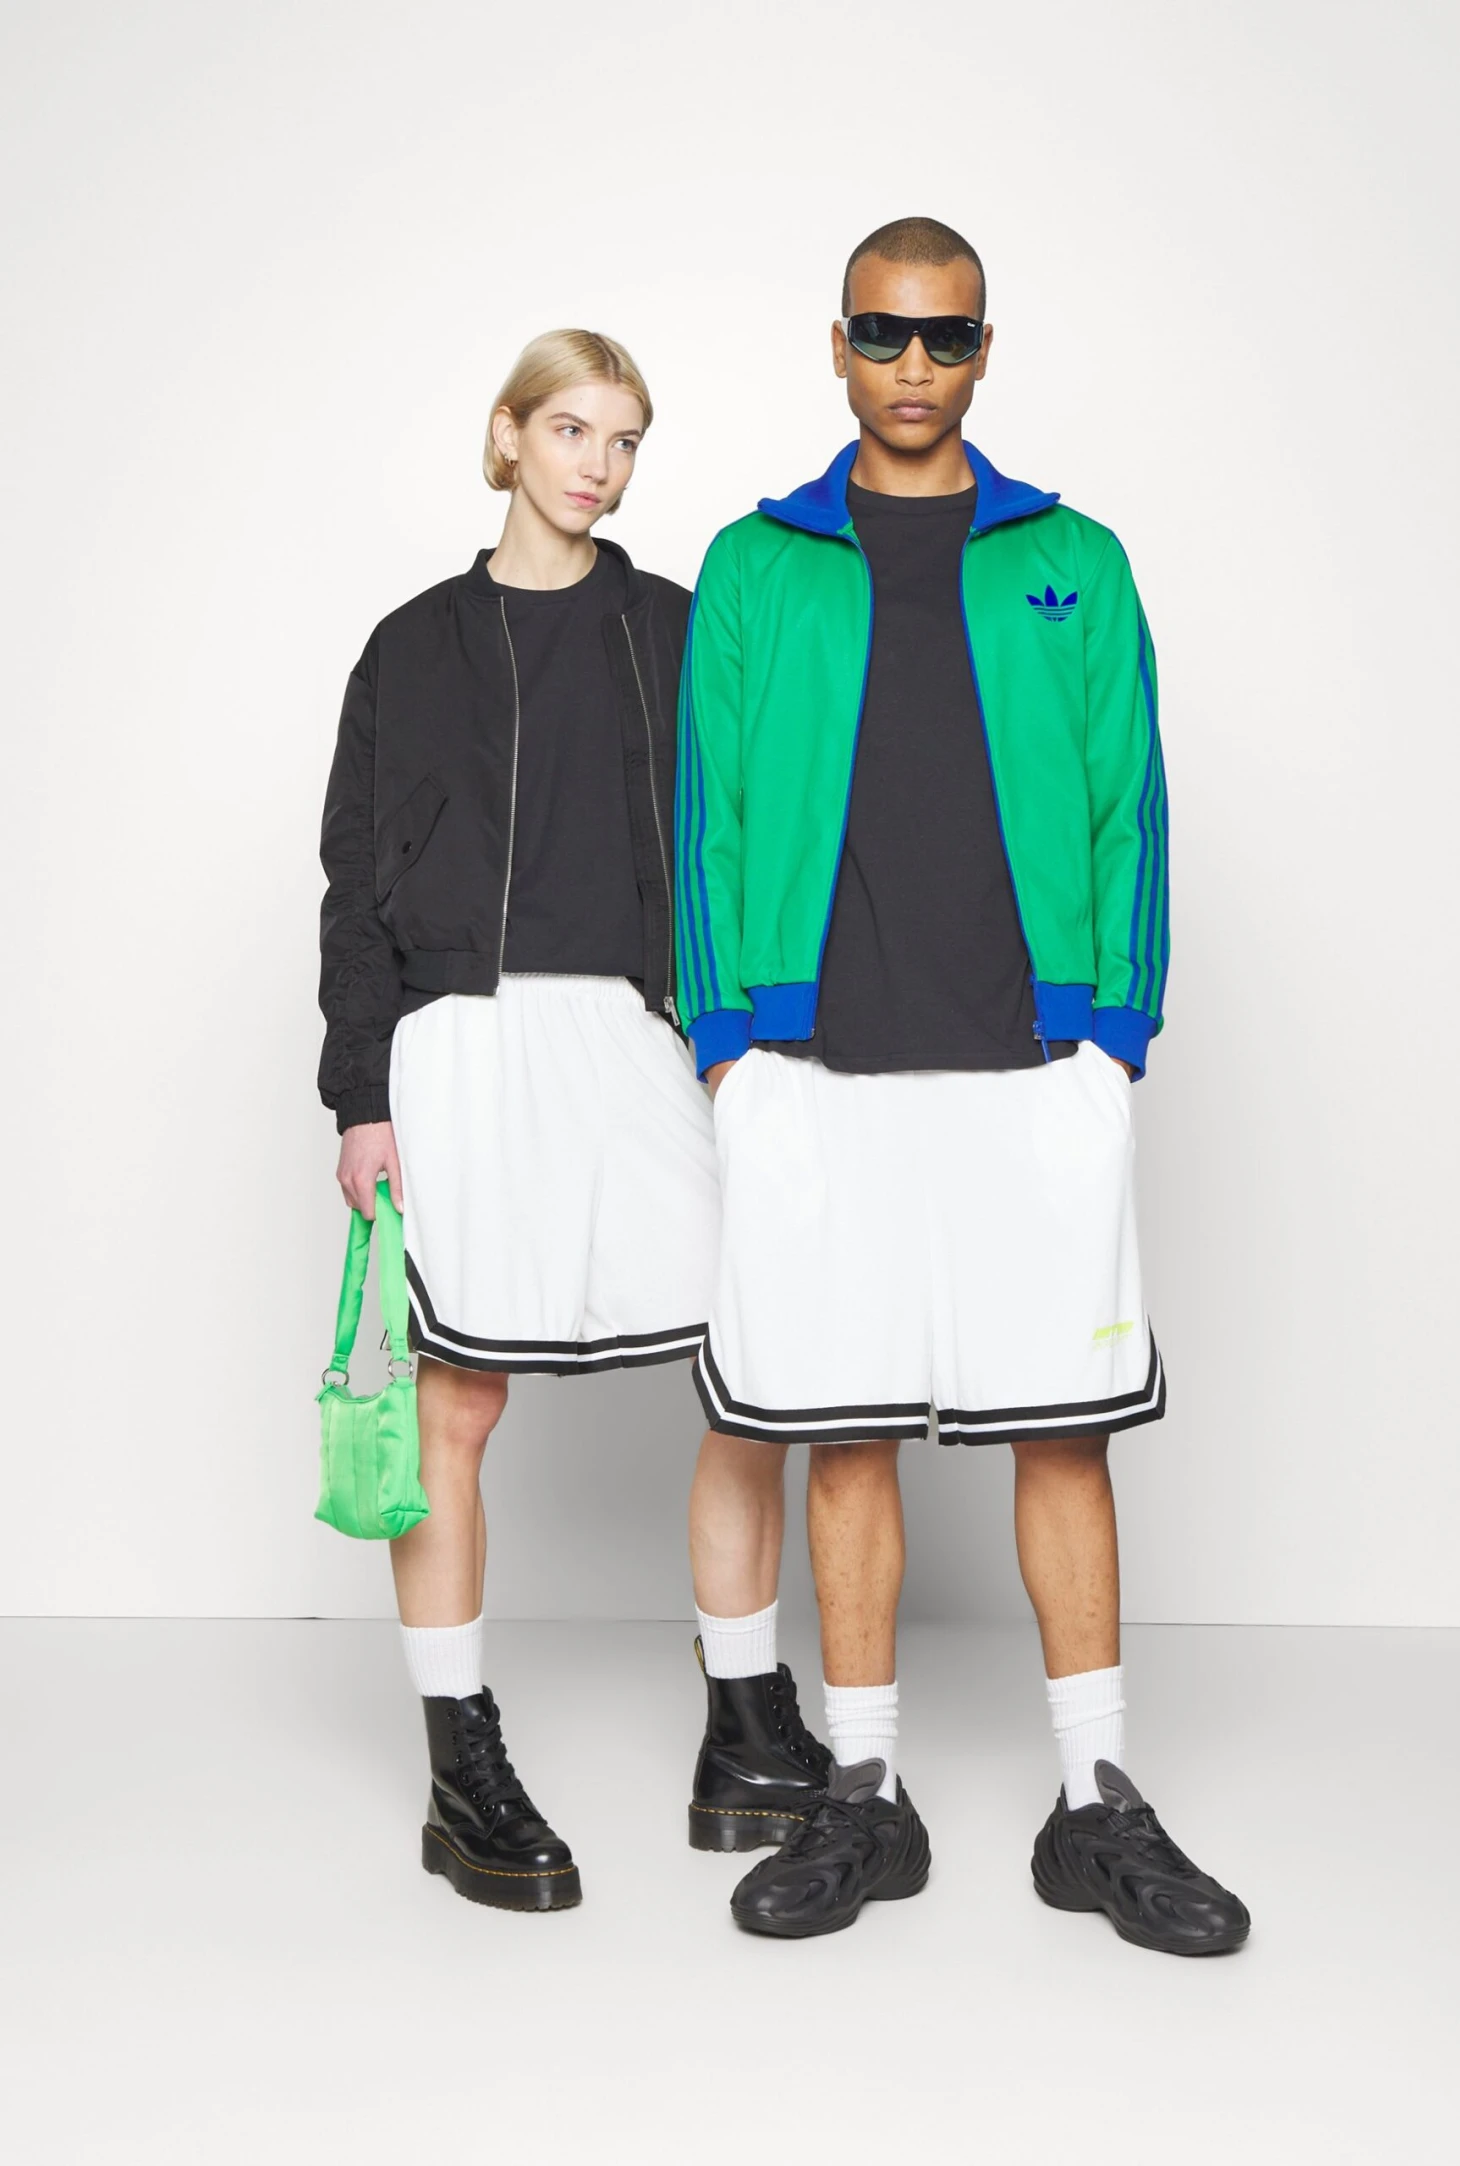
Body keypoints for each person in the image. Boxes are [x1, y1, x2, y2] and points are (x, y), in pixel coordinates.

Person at [676, 219, 1250, 1951]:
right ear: (837, 345)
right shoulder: (756, 563)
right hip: (814, 1066)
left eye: (944, 338)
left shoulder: (1074, 557)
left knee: (1062, 1428)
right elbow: (705, 817)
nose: (913, 365)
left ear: (984, 351)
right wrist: (728, 1045)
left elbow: (1132, 800)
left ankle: (1095, 1803)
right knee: (844, 1430)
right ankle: (866, 1792)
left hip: (1036, 1061)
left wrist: (1116, 1029)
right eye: (883, 333)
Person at [316, 329, 827, 1912]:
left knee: (752, 1366)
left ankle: (745, 1718)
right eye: (571, 430)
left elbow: (745, 844)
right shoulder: (409, 647)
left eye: (624, 439)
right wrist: (360, 1094)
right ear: (508, 437)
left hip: (632, 1030)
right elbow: (352, 889)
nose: (598, 465)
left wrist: (751, 1045)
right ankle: (459, 1758)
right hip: (460, 1043)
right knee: (458, 1405)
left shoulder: (673, 628)